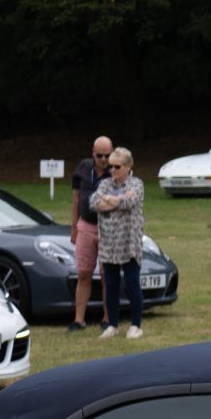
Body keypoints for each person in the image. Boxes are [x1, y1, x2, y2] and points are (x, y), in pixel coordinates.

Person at [90, 147, 147, 340]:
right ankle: (112, 325)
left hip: (129, 242)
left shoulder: (137, 184)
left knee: (132, 283)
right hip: (108, 242)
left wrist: (108, 200)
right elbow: (94, 203)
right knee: (111, 285)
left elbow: (130, 202)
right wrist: (116, 199)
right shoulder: (105, 183)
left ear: (128, 166)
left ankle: (135, 325)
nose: (112, 170)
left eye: (117, 167)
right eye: (111, 166)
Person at [68, 134, 113, 331]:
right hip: (86, 225)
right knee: (84, 273)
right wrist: (74, 228)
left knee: (107, 274)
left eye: (107, 156)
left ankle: (108, 318)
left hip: (108, 227)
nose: (103, 160)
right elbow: (76, 199)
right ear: (93, 153)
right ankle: (79, 320)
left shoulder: (116, 171)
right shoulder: (84, 168)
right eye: (99, 155)